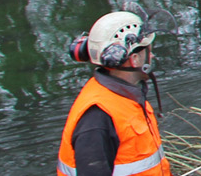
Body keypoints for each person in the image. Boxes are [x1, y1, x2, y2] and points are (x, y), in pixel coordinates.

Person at [57, 11, 172, 176]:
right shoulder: (97, 119)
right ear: (135, 59)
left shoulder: (126, 97)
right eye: (148, 50)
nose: (152, 55)